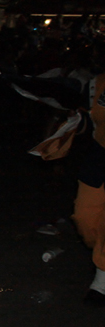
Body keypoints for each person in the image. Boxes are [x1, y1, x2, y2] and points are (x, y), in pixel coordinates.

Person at [72, 72, 105, 306]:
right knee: (84, 216)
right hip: (99, 157)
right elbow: (84, 119)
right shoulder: (97, 83)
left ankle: (101, 281)